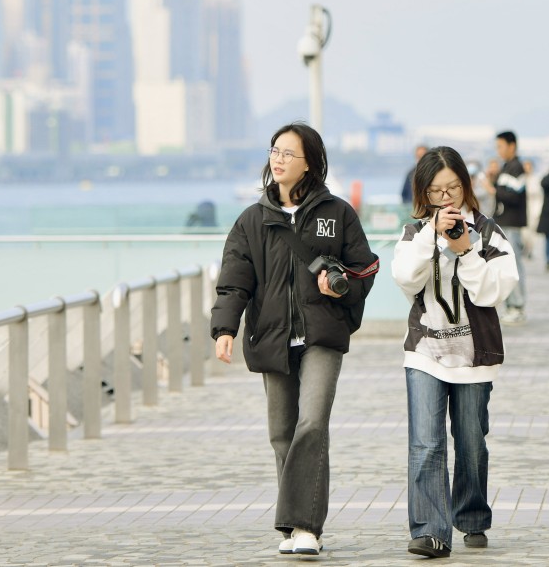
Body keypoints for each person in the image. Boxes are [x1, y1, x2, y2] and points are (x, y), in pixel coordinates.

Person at [211, 122, 379, 557]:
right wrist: (225, 329)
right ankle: (294, 523)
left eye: (288, 153)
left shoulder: (337, 214)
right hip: (272, 336)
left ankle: (305, 527)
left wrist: (340, 287)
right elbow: (234, 281)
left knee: (312, 422)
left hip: (322, 334)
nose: (278, 159)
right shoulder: (252, 219)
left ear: (310, 164)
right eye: (275, 151)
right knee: (281, 433)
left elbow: (364, 268)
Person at [390, 146, 519, 559]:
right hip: (425, 351)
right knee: (426, 444)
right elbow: (406, 280)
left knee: (470, 442)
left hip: (473, 357)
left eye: (454, 189)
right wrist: (433, 234)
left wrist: (465, 250)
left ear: (466, 186)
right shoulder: (414, 233)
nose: (447, 200)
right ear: (423, 194)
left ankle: (472, 516)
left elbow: (493, 290)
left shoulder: (488, 231)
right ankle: (430, 530)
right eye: (436, 192)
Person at [488, 131, 527, 324]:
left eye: (500, 146)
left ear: (512, 146)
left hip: (512, 223)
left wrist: (494, 189)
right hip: (504, 223)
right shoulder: (507, 167)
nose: (499, 151)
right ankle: (511, 305)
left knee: (514, 266)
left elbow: (514, 196)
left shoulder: (517, 167)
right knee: (505, 266)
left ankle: (518, 306)